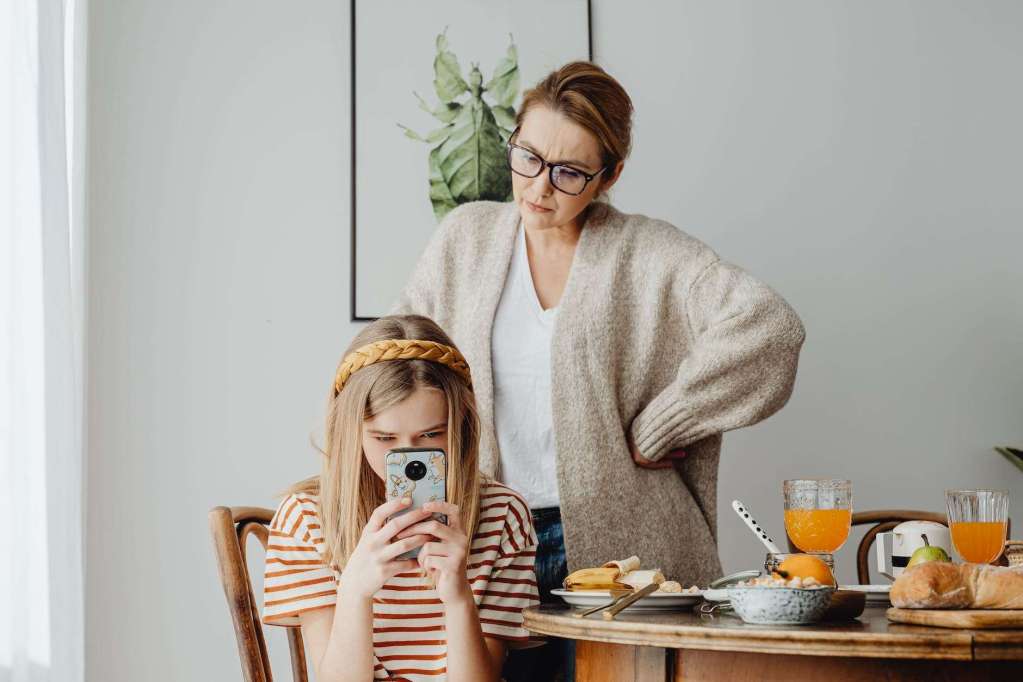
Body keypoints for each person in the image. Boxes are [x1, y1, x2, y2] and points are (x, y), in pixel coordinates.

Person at [394, 60, 805, 605]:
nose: (540, 186)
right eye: (529, 157)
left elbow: (771, 327)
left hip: (629, 558)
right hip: (485, 537)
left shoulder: (649, 253)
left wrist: (666, 422)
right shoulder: (464, 240)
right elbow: (386, 366)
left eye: (568, 172)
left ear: (609, 176)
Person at [262, 315, 539, 681]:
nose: (409, 459)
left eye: (430, 435)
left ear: (460, 428)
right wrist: (354, 593)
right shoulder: (306, 519)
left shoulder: (503, 516)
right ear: (351, 431)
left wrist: (459, 600)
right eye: (384, 439)